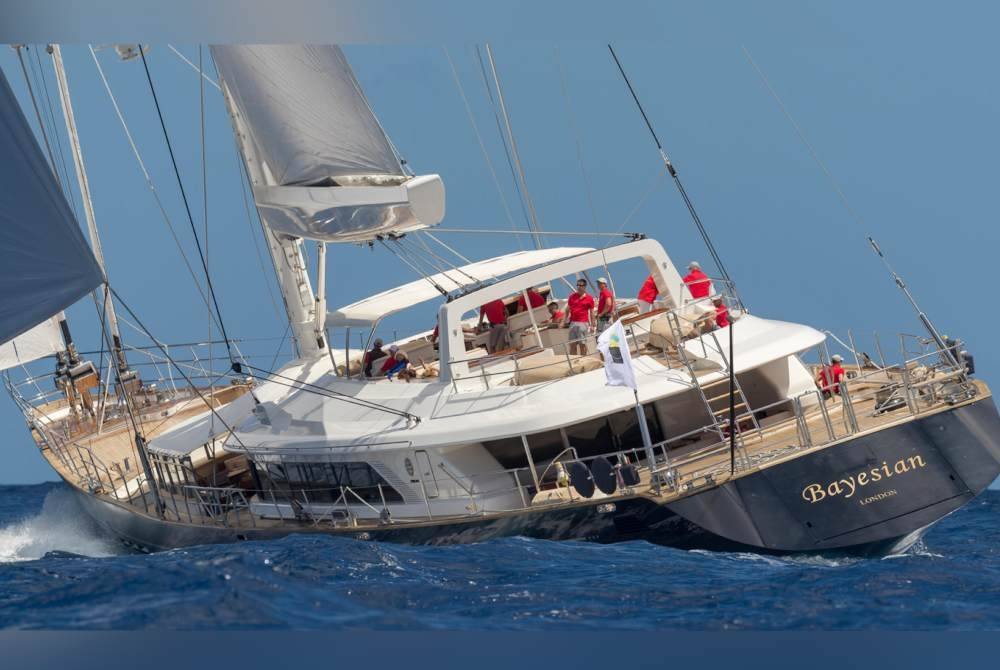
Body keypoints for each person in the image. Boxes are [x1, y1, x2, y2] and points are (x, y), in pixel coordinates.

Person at [563, 278, 595, 355]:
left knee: (582, 344)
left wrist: (593, 325)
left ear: (584, 287)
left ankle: (584, 361)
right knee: (572, 345)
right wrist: (564, 321)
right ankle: (574, 363)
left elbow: (592, 313)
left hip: (583, 323)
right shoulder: (572, 297)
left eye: (581, 285)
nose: (578, 287)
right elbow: (567, 310)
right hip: (573, 323)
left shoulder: (589, 298)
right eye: (577, 285)